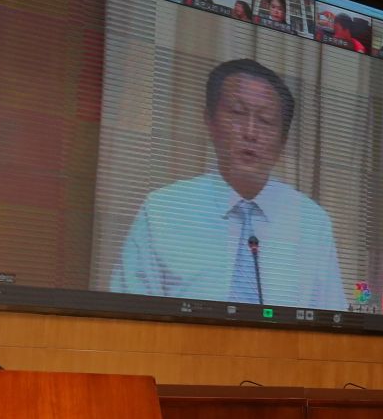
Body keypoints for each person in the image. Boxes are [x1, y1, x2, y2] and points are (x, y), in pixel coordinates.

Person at [110, 59, 344, 310]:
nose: (250, 132)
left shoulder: (311, 222)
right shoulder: (162, 211)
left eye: (265, 120)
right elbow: (127, 312)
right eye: (237, 113)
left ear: (283, 140)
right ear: (209, 121)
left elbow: (332, 319)